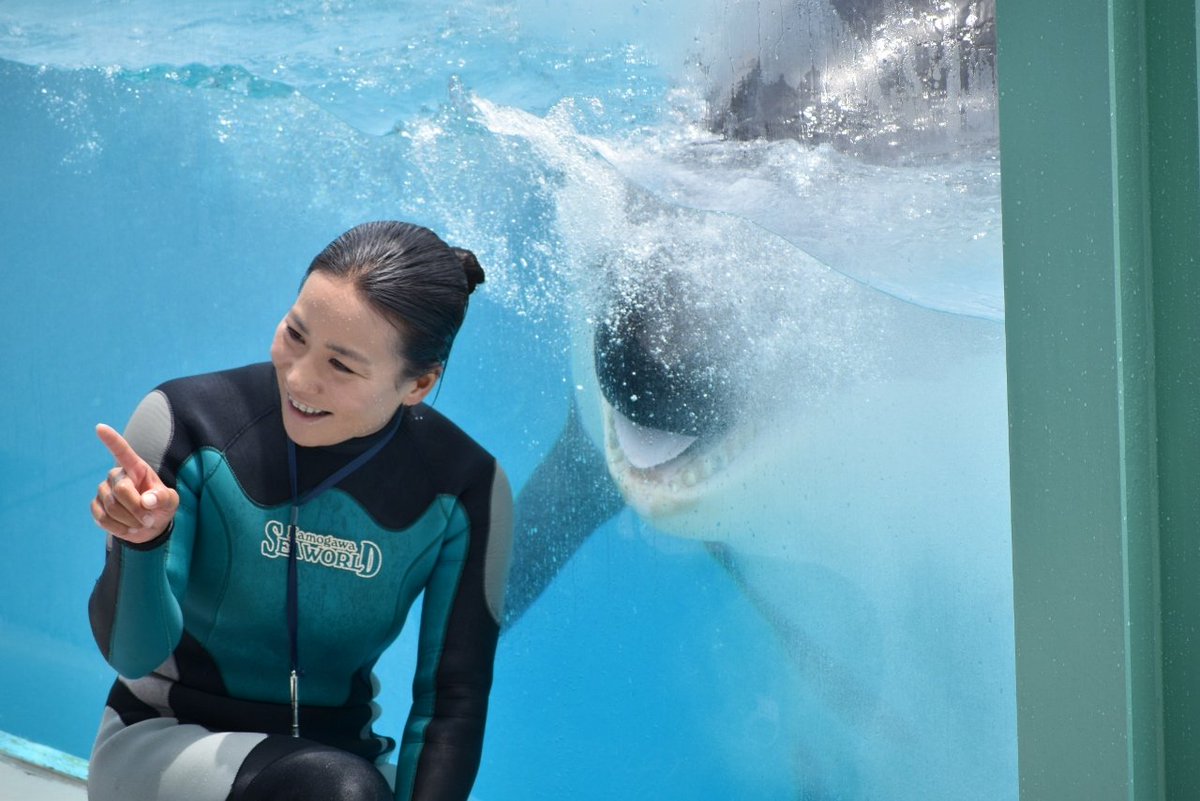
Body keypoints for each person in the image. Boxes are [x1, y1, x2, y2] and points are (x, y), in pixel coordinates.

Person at [86, 221, 514, 801]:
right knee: (334, 789)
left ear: (419, 383)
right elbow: (131, 654)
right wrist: (142, 544)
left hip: (343, 765)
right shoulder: (184, 421)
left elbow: (451, 702)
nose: (300, 378)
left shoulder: (467, 487)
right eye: (294, 334)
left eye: (342, 366)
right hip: (165, 743)